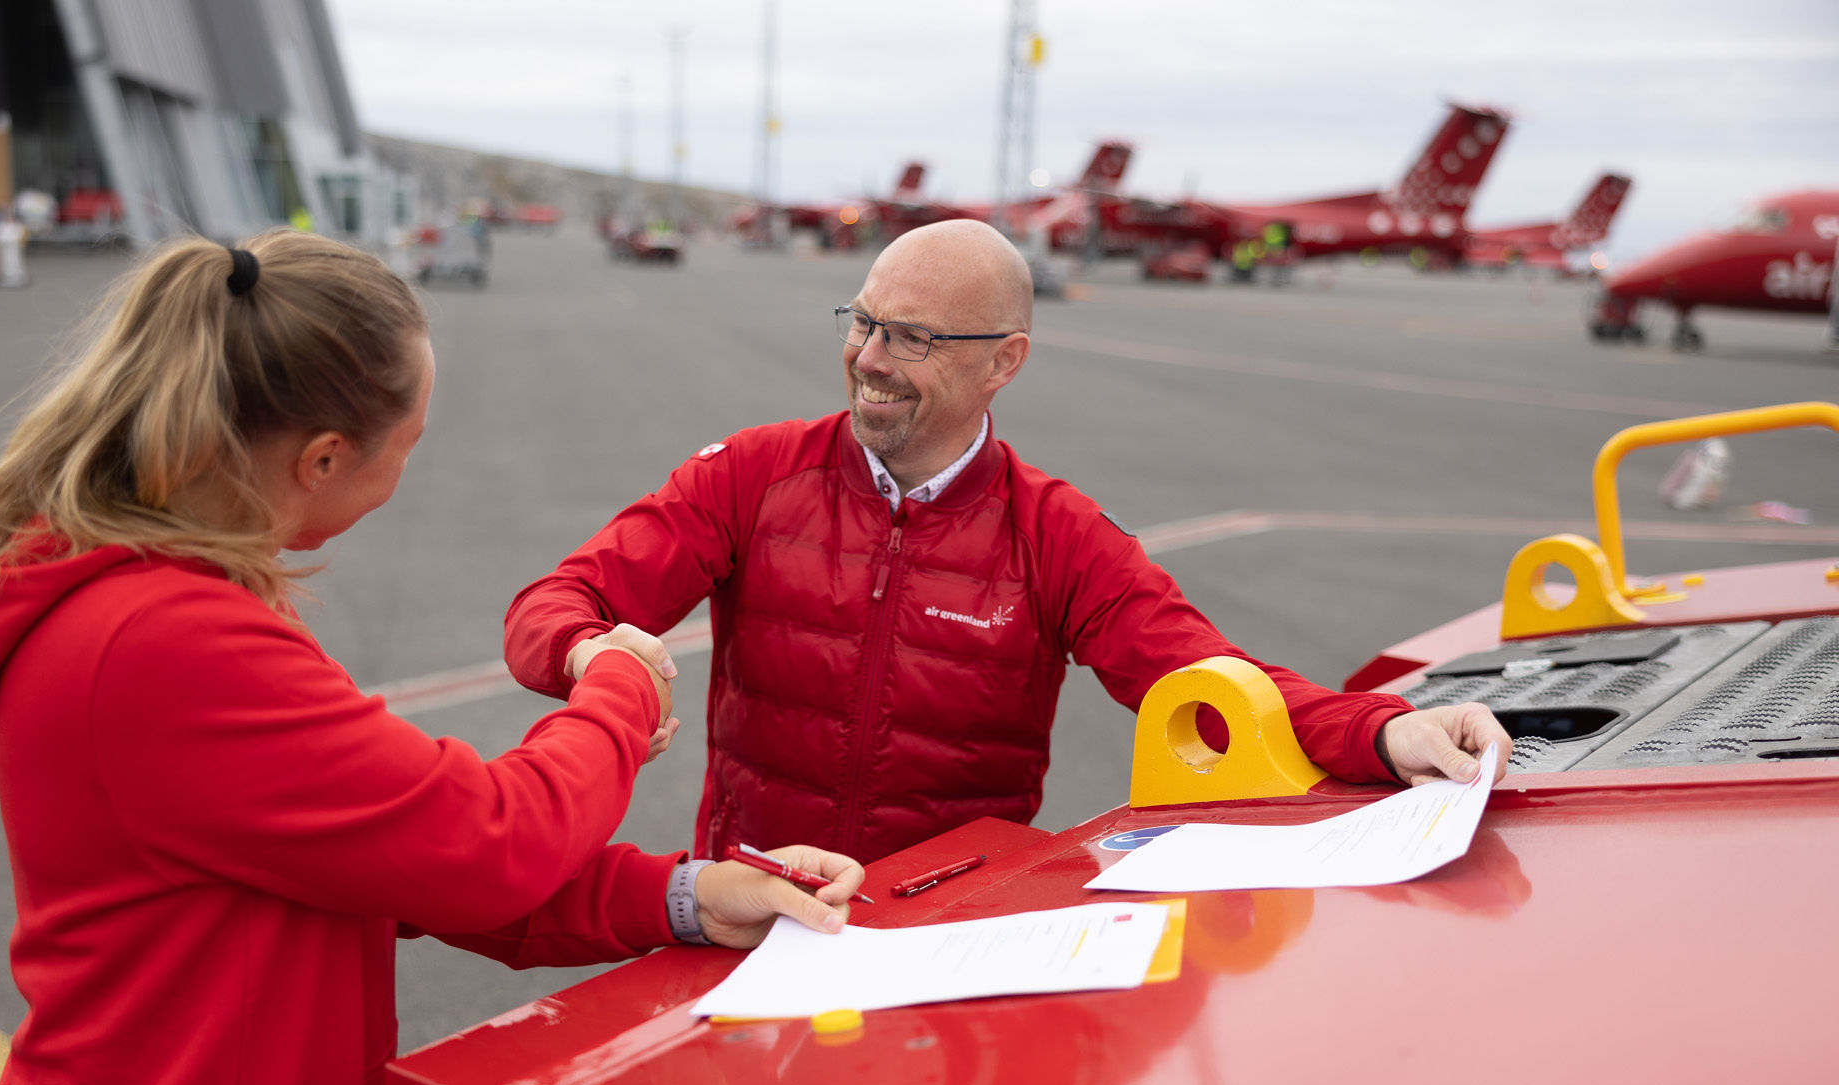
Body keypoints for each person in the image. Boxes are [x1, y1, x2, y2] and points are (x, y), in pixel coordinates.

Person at [0, 229, 862, 1085]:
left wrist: (687, 897)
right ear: (323, 458)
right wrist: (620, 691)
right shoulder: (163, 642)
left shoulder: (166, 610)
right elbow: (487, 839)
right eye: (410, 442)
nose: (408, 466)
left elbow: (395, 855)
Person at [505, 219, 1510, 866]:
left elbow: (1210, 680)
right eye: (862, 323)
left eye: (910, 337)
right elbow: (550, 607)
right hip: (750, 913)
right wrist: (587, 650)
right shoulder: (750, 477)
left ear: (1003, 363)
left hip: (949, 935)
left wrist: (1381, 729)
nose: (867, 359)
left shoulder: (1053, 534)